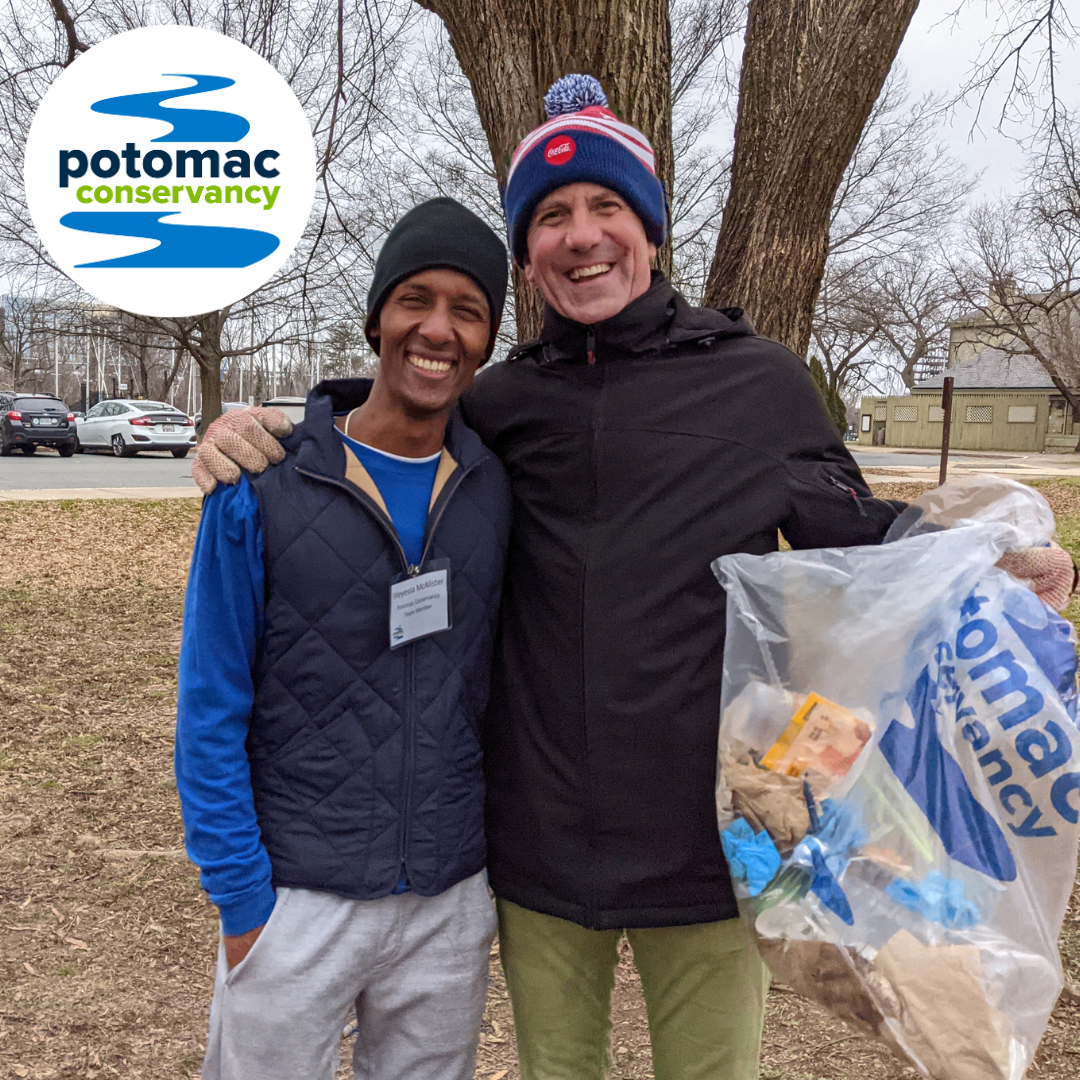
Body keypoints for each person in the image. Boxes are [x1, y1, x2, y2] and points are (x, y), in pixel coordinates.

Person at [191, 77, 1076, 1080]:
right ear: (528, 256)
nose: (582, 235)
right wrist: (270, 428)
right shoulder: (502, 406)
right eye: (551, 217)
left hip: (712, 844)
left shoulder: (759, 383)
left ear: (650, 230)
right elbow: (399, 416)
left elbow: (859, 538)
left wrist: (982, 561)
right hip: (535, 847)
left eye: (606, 205)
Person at [175, 197, 511, 1080]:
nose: (437, 329)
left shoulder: (496, 487)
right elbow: (208, 706)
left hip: (446, 900)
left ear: (486, 342)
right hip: (295, 898)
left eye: (467, 310)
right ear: (375, 320)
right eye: (414, 300)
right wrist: (243, 903)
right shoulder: (261, 484)